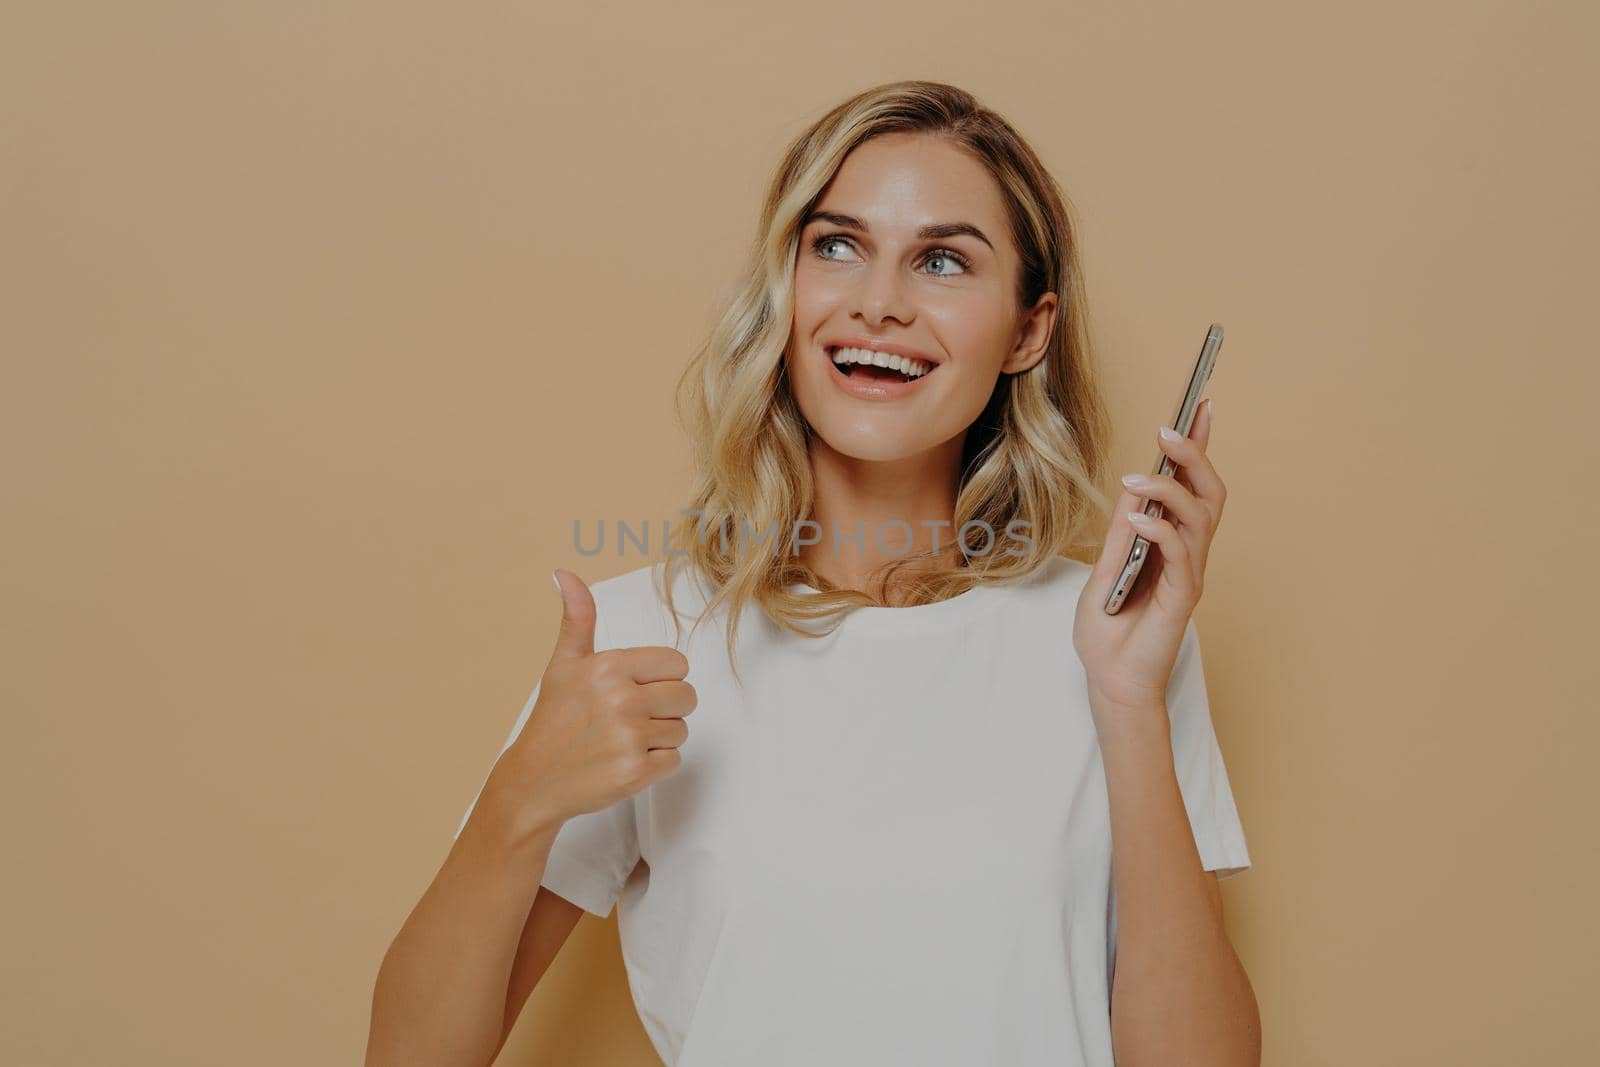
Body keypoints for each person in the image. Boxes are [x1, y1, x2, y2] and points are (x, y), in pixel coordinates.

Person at [366, 80, 1260, 1067]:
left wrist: (1127, 698)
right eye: (835, 245)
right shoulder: (643, 638)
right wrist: (518, 798)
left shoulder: (1112, 638)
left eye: (942, 260)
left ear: (1026, 330)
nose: (878, 302)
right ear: (785, 292)